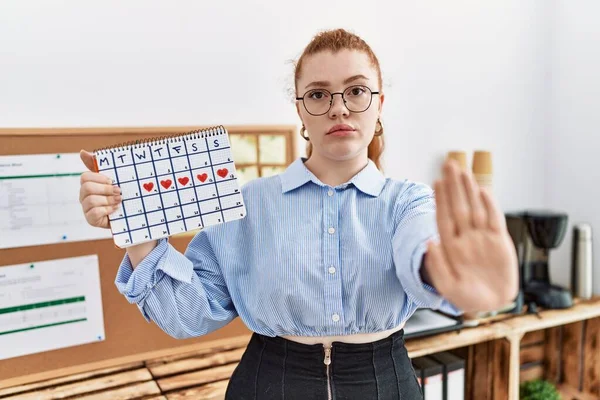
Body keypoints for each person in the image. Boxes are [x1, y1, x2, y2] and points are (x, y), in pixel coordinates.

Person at [78, 28, 518, 400]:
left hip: (386, 384)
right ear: (300, 111)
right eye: (318, 94)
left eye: (357, 90)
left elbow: (420, 249)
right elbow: (188, 316)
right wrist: (135, 231)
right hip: (268, 383)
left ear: (379, 104)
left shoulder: (408, 202)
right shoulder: (247, 205)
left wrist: (445, 271)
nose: (338, 107)